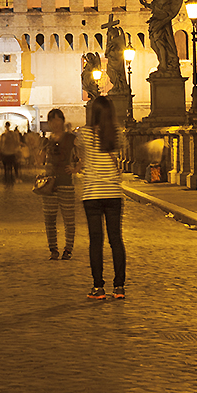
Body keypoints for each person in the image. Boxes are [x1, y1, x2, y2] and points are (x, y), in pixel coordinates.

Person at [76, 95, 127, 301]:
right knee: (116, 239)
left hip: (92, 193)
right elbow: (120, 153)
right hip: (113, 192)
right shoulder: (117, 133)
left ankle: (98, 287)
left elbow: (81, 155)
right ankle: (119, 286)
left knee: (96, 241)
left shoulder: (85, 134)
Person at [39, 108, 78, 261]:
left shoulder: (71, 138)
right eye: (52, 120)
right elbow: (40, 160)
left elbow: (83, 153)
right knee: (49, 218)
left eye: (57, 119)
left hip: (65, 181)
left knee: (68, 218)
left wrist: (75, 169)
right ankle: (53, 249)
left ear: (62, 121)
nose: (55, 123)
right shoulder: (47, 141)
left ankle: (68, 248)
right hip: (49, 183)